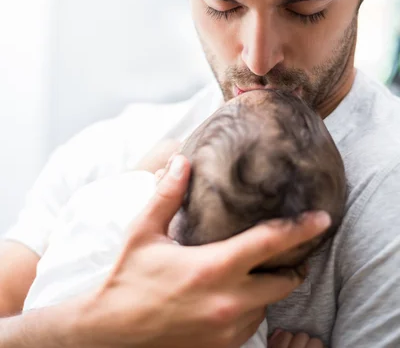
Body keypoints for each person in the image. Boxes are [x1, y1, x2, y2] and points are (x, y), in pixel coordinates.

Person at [0, 0, 398, 347]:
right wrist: (93, 330)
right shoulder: (106, 158)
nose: (257, 59)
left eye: (304, 11)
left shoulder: (390, 196)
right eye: (222, 7)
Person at [21, 89, 345, 348]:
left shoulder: (109, 199)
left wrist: (145, 177)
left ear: (172, 175)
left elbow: (59, 245)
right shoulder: (237, 322)